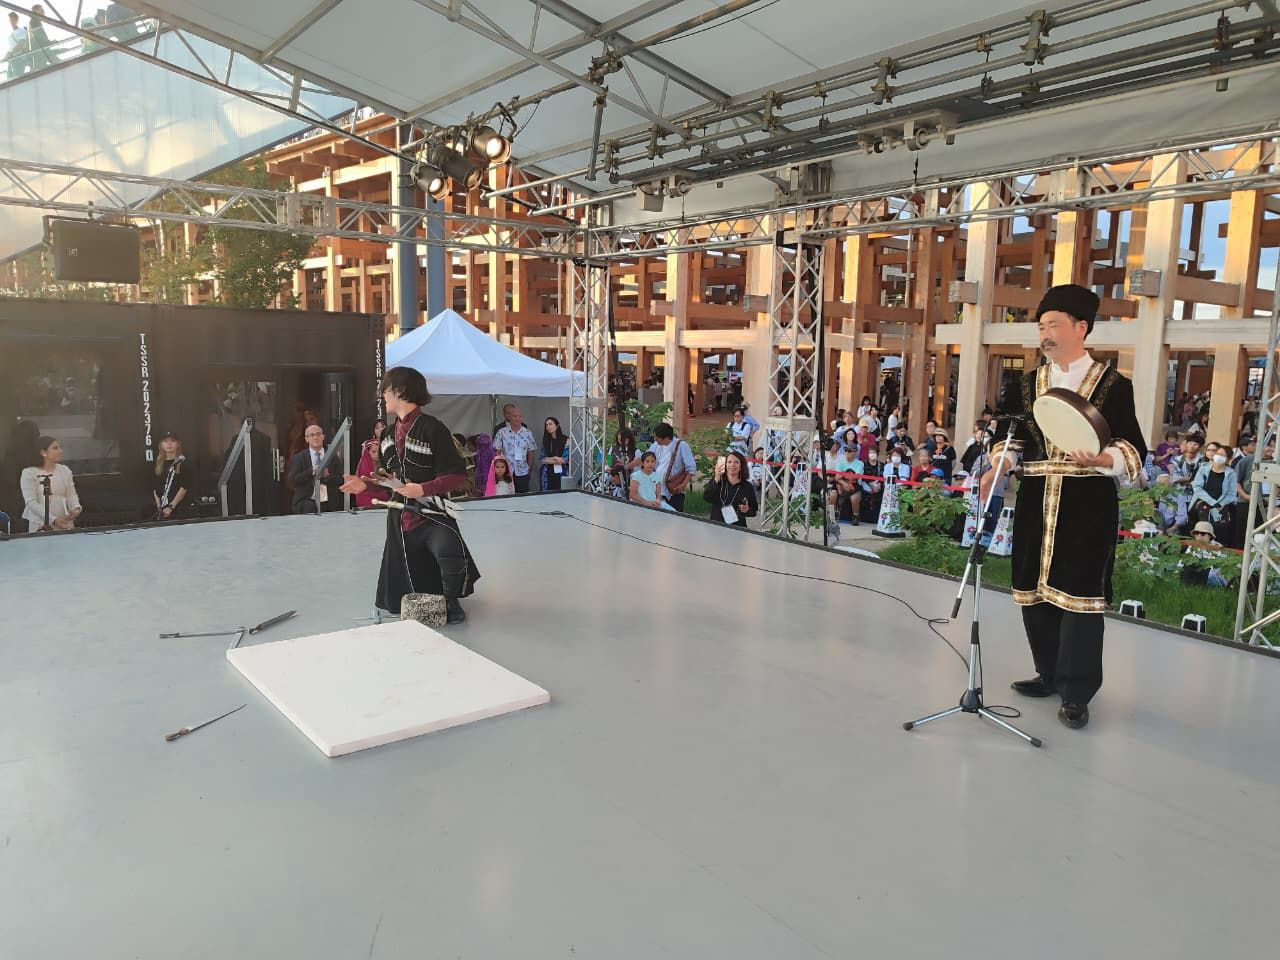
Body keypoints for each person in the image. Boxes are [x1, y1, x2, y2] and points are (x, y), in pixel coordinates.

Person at [982, 284, 1147, 730]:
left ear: (1081, 328)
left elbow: (1132, 444)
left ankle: (1077, 693)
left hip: (1086, 499)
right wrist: (999, 465)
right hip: (1036, 494)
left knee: (1080, 595)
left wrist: (1104, 459)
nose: (1045, 334)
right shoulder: (1026, 383)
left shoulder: (1113, 385)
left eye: (1053, 325)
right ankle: (1048, 672)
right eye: (1041, 327)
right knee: (1032, 588)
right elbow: (1012, 438)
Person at [340, 367, 479, 625]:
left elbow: (457, 474)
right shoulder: (388, 435)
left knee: (449, 550)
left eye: (385, 390)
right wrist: (365, 485)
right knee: (408, 573)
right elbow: (388, 482)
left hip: (432, 512)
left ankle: (450, 600)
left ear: (400, 391)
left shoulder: (433, 428)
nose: (382, 396)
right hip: (400, 516)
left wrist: (423, 489)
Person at [631, 422, 696, 512]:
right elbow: (644, 457)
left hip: (673, 490)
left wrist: (683, 484)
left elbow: (691, 468)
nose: (655, 439)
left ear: (666, 438)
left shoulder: (681, 446)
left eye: (657, 438)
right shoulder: (656, 445)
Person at [21, 436, 81, 532]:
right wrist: (53, 520)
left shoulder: (64, 470)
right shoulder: (29, 473)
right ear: (43, 452)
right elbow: (31, 502)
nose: (60, 451)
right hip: (40, 525)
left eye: (60, 447)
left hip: (65, 523)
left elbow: (71, 495)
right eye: (55, 448)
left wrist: (76, 509)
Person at [288, 424, 343, 514]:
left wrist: (327, 477)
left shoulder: (332, 456)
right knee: (310, 508)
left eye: (318, 434)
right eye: (312, 435)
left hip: (330, 503)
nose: (315, 437)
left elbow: (341, 480)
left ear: (323, 437)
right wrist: (310, 472)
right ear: (306, 439)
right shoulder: (299, 458)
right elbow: (294, 481)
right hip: (307, 502)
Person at [1190, 444, 1238, 545]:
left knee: (1221, 528)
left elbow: (1231, 494)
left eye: (1222, 455)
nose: (1218, 456)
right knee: (1202, 525)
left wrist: (1220, 504)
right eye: (1217, 453)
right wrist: (1212, 502)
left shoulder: (1231, 473)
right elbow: (1197, 487)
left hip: (1221, 505)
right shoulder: (1203, 468)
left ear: (1228, 458)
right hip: (1203, 502)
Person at [705, 451, 758, 527]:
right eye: (729, 462)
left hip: (738, 527)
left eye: (736, 462)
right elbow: (707, 497)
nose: (732, 465)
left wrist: (747, 510)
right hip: (716, 526)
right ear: (725, 465)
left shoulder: (747, 486)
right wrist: (716, 477)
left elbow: (754, 510)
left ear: (741, 465)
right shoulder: (718, 481)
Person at [493, 405, 538, 493]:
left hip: (523, 471)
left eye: (519, 416)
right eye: (514, 416)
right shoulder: (501, 432)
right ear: (510, 417)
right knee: (507, 496)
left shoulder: (528, 433)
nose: (517, 419)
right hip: (506, 472)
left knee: (522, 496)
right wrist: (499, 470)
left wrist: (529, 468)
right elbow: (497, 452)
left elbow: (531, 452)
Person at [150, 431, 190, 521]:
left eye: (172, 441)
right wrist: (159, 506)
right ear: (161, 445)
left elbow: (184, 487)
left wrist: (171, 507)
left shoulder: (182, 462)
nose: (169, 444)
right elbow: (154, 487)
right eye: (165, 441)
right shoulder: (157, 464)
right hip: (162, 510)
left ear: (178, 444)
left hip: (179, 510)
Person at [354, 419, 386, 509]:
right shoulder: (367, 445)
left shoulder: (392, 443)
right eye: (377, 427)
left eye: (382, 426)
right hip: (368, 489)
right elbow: (362, 469)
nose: (380, 429)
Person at [538, 417, 569, 491]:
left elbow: (564, 460)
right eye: (546, 425)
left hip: (561, 473)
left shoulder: (566, 440)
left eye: (550, 424)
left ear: (557, 425)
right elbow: (542, 459)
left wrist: (549, 460)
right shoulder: (546, 441)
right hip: (547, 474)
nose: (548, 426)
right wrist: (555, 458)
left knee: (561, 493)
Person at [607, 426, 638, 499]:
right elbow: (608, 461)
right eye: (619, 440)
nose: (621, 442)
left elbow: (637, 471)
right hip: (613, 482)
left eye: (624, 440)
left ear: (629, 439)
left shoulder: (636, 451)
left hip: (628, 485)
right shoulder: (612, 448)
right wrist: (609, 468)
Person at [4, 11, 28, 79]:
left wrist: (10, 53)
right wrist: (5, 56)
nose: (11, 22)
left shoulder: (21, 31)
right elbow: (11, 48)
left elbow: (21, 43)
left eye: (13, 20)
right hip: (12, 59)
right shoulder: (11, 35)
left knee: (17, 79)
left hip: (19, 59)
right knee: (9, 79)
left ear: (17, 20)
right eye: (10, 20)